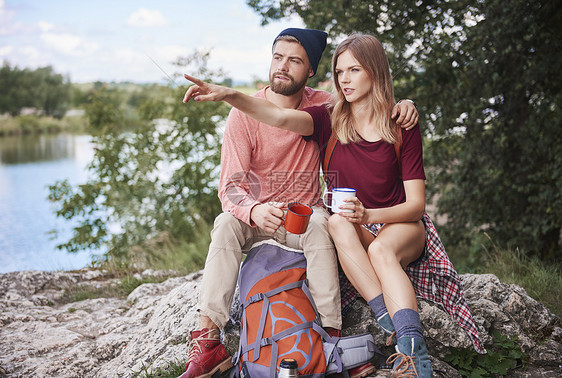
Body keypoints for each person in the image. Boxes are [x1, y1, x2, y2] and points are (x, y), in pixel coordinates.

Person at [183, 32, 486, 378]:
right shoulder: (294, 116)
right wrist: (228, 97)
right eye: (341, 72)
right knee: (256, 222)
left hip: (353, 221)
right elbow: (261, 142)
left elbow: (413, 197)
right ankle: (209, 340)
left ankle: (350, 341)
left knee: (344, 233)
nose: (345, 79)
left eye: (294, 60)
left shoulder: (359, 114)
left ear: (311, 71)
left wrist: (406, 103)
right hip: (295, 220)